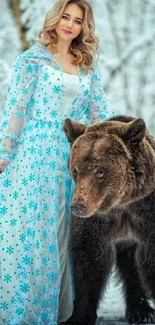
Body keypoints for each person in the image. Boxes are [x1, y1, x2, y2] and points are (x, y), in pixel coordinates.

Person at [0, 0, 113, 324]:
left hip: (70, 161)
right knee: (34, 231)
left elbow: (99, 115)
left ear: (83, 28)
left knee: (64, 233)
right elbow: (16, 110)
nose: (70, 24)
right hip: (34, 156)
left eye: (78, 21)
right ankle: (25, 311)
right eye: (66, 16)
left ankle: (57, 310)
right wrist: (5, 153)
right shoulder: (32, 59)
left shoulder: (87, 66)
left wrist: (116, 143)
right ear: (55, 18)